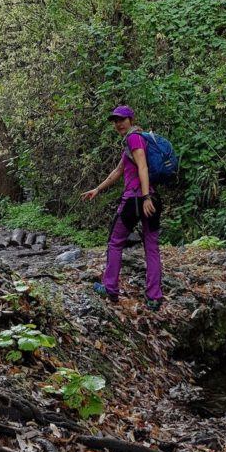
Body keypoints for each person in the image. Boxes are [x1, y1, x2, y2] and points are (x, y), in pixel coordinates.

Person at [81, 104, 163, 311]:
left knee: (115, 242)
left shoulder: (133, 139)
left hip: (136, 199)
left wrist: (144, 197)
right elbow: (118, 171)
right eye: (115, 121)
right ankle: (154, 297)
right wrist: (97, 189)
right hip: (150, 197)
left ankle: (110, 288)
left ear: (131, 120)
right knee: (151, 247)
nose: (118, 124)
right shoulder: (138, 139)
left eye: (122, 120)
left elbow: (143, 166)